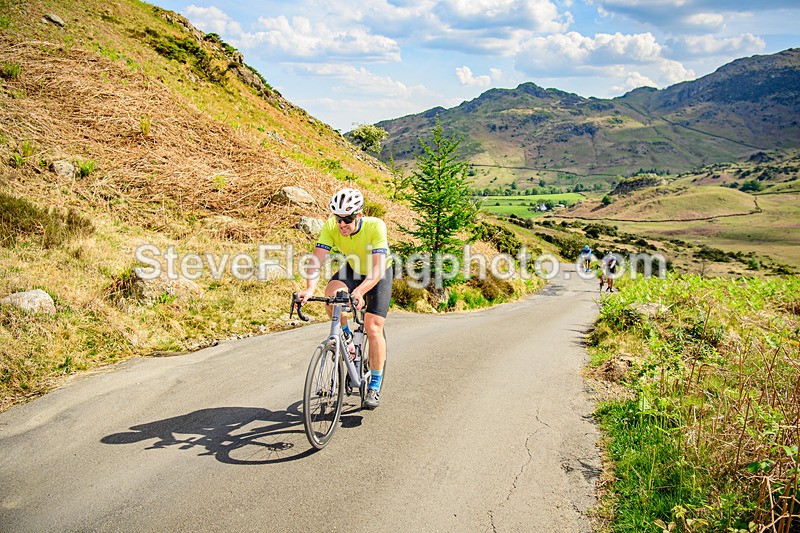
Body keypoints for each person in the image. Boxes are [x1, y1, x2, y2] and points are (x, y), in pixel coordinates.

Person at [297, 188, 393, 409]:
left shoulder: (375, 226)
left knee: (373, 326)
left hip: (378, 272)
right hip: (352, 269)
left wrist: (359, 292)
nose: (342, 224)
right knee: (331, 297)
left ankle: (374, 386)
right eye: (338, 219)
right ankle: (348, 340)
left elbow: (377, 269)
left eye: (347, 219)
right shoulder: (331, 227)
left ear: (359, 216)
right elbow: (317, 260)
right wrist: (310, 288)